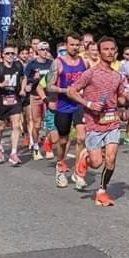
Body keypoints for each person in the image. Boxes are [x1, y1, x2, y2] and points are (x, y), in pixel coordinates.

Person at [67, 37, 128, 205]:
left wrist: (125, 102)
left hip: (113, 123)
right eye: (106, 49)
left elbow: (121, 96)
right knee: (96, 163)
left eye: (112, 49)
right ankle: (84, 159)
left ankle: (102, 191)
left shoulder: (117, 76)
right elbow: (72, 91)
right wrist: (89, 104)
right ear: (100, 52)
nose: (109, 52)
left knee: (111, 158)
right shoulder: (90, 73)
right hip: (94, 124)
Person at [43, 33, 87, 188]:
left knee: (82, 137)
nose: (74, 48)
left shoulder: (84, 62)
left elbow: (88, 81)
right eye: (72, 45)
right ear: (66, 46)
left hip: (79, 105)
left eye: (77, 45)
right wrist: (64, 90)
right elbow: (49, 85)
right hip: (63, 105)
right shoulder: (58, 63)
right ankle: (60, 167)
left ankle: (78, 172)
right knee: (63, 141)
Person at [0, 44, 26, 165]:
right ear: (3, 55)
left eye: (12, 54)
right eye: (7, 53)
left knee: (16, 125)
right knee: (1, 127)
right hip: (1, 99)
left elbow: (23, 78)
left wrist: (23, 89)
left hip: (15, 99)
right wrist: (0, 85)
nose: (10, 56)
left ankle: (13, 153)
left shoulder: (19, 65)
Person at [24, 42, 54, 160]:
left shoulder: (52, 63)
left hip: (49, 95)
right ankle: (36, 147)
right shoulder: (31, 64)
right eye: (42, 49)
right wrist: (33, 79)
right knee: (37, 123)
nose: (45, 52)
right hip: (35, 96)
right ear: (37, 51)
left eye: (47, 49)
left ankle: (48, 147)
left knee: (49, 123)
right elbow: (26, 79)